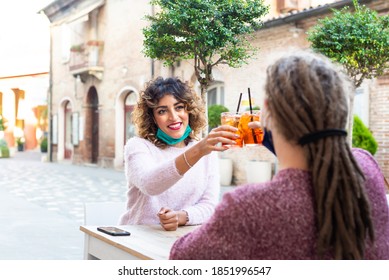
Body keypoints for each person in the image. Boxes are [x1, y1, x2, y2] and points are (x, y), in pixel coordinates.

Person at [169, 51, 389, 259]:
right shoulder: (365, 167)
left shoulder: (248, 207)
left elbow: (181, 257)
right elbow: (312, 166)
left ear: (267, 110)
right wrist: (276, 140)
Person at [119, 76, 239, 231]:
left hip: (181, 238)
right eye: (162, 111)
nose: (173, 117)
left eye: (179, 107)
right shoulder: (138, 146)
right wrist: (198, 151)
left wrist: (180, 216)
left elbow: (210, 206)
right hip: (136, 237)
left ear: (189, 110)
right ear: (153, 118)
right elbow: (150, 185)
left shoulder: (207, 152)